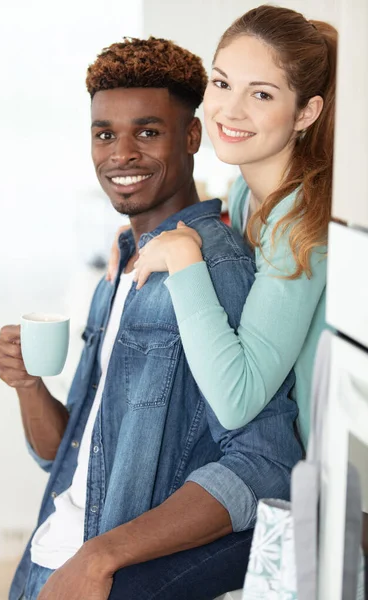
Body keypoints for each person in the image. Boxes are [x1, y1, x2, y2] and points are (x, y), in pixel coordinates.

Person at [0, 37, 302, 600]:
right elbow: (64, 454)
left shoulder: (211, 265)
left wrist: (102, 556)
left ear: (191, 137)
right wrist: (28, 384)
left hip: (104, 573)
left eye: (148, 132)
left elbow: (264, 461)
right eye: (105, 134)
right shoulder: (120, 268)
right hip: (48, 560)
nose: (121, 153)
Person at [108, 5, 337, 449]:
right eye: (222, 83)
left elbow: (237, 399)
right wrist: (137, 236)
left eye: (262, 95)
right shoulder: (247, 194)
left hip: (329, 482)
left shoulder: (299, 221)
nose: (230, 111)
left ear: (306, 113)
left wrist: (180, 256)